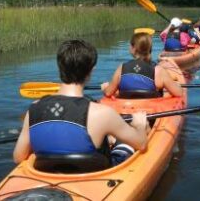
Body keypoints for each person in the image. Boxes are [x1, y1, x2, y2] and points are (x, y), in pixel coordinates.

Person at [13, 39, 148, 170]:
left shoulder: (34, 108)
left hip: (49, 173)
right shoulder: (103, 114)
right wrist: (140, 125)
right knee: (123, 142)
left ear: (60, 67)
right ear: (91, 71)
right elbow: (141, 144)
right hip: (96, 176)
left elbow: (19, 157)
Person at [101, 32, 183, 98]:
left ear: (133, 48)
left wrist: (105, 88)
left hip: (126, 112)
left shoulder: (122, 68)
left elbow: (108, 93)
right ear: (149, 49)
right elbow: (179, 93)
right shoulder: (158, 70)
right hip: (152, 116)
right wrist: (177, 86)